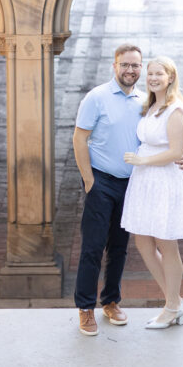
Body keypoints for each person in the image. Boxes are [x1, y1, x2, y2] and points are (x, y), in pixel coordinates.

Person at [72, 42, 145, 336]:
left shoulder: (145, 99)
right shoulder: (97, 97)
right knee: (92, 246)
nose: (130, 70)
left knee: (119, 247)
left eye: (135, 65)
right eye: (125, 65)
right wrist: (89, 180)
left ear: (141, 68)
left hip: (131, 184)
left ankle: (111, 302)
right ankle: (85, 308)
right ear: (114, 66)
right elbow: (80, 139)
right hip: (100, 182)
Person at [122, 56, 183, 329]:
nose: (153, 78)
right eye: (150, 73)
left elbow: (176, 151)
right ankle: (174, 301)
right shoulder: (151, 105)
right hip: (144, 181)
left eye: (159, 74)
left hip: (163, 181)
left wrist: (144, 161)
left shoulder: (175, 109)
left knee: (167, 245)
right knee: (142, 242)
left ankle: (171, 307)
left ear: (171, 78)